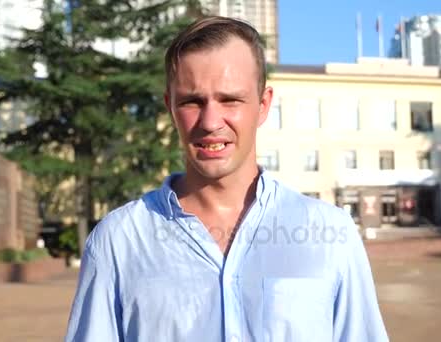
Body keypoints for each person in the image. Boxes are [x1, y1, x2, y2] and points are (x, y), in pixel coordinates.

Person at [65, 16, 388, 341]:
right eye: (192, 101)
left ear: (263, 105)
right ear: (170, 107)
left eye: (230, 99)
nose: (210, 121)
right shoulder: (117, 242)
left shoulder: (331, 235)